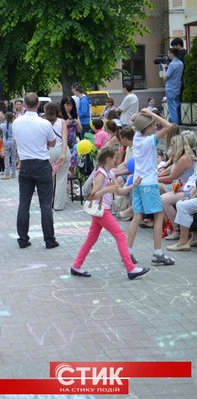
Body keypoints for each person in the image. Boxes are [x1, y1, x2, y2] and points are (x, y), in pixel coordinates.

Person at [70, 147, 149, 280]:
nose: (117, 160)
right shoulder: (101, 174)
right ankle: (130, 268)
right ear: (108, 159)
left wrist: (133, 185)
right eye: (115, 158)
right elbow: (92, 195)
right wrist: (107, 190)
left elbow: (120, 191)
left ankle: (76, 265)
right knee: (120, 236)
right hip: (102, 211)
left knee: (91, 239)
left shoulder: (110, 173)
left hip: (101, 211)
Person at [125, 109, 176, 266]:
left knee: (137, 216)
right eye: (153, 125)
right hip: (149, 183)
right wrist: (152, 114)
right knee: (159, 216)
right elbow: (169, 126)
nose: (155, 126)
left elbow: (137, 126)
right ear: (147, 129)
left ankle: (128, 252)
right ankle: (158, 253)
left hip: (138, 182)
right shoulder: (148, 140)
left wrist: (138, 118)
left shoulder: (137, 137)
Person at [13, 93, 58, 249]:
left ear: (24, 104)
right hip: (42, 164)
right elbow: (52, 143)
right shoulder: (44, 123)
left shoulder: (16, 122)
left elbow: (17, 141)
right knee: (45, 204)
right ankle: (49, 240)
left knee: (24, 203)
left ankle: (23, 239)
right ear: (38, 104)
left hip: (25, 164)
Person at [44, 102, 71, 211]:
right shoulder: (62, 122)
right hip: (61, 149)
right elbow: (64, 139)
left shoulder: (43, 122)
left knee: (48, 178)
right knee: (61, 178)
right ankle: (58, 205)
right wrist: (63, 154)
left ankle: (48, 202)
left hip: (48, 152)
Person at [163, 47, 184, 125]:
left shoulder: (172, 64)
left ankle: (174, 126)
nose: (168, 55)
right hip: (177, 87)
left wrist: (164, 68)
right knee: (176, 107)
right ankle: (177, 124)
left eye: (168, 53)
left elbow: (165, 77)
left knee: (172, 109)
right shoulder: (181, 63)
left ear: (172, 54)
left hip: (170, 88)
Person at [0, 111, 17, 180]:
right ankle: (13, 173)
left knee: (6, 158)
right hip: (13, 142)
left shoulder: (3, 125)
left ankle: (7, 173)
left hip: (6, 142)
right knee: (13, 158)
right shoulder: (14, 125)